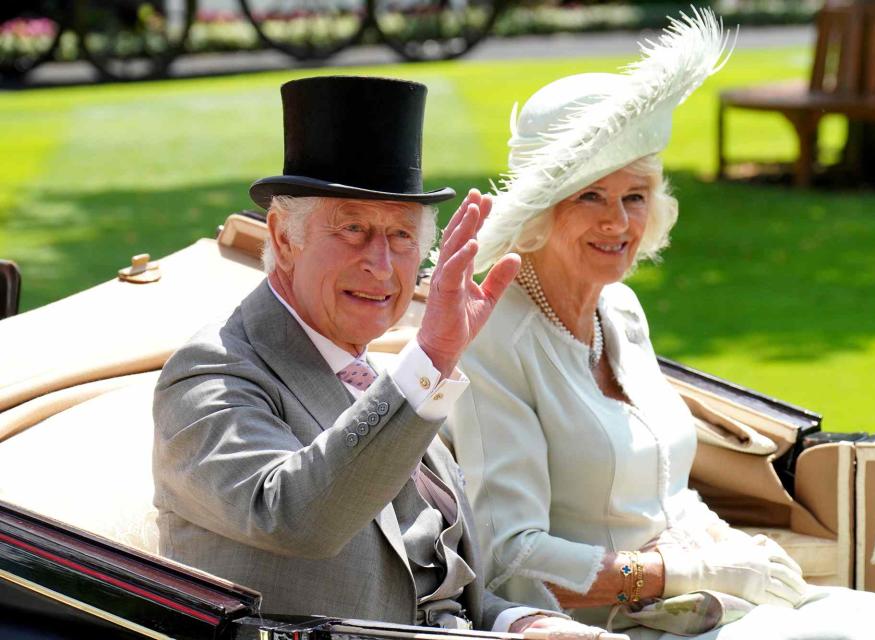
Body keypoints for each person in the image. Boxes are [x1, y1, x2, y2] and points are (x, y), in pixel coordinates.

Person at [443, 10, 875, 640]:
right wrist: (687, 568)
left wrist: (741, 556)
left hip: (693, 607)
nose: (618, 223)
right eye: (591, 196)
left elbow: (665, 490)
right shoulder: (493, 339)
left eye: (634, 196)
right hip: (596, 624)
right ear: (539, 213)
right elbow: (511, 558)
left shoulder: (619, 311)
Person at [152, 75, 598, 635]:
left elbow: (442, 590)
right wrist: (431, 356)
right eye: (354, 229)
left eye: (402, 237)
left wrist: (520, 623)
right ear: (284, 238)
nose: (382, 266)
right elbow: (297, 518)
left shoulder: (381, 377)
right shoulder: (212, 373)